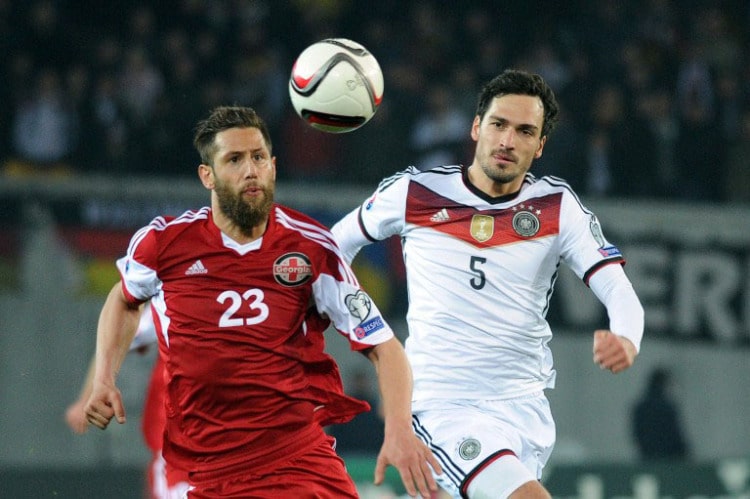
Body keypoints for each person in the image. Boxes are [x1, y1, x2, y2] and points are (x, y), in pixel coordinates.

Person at [83, 105, 440, 498]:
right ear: (208, 175)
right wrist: (104, 379)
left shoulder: (310, 249)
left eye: (257, 158)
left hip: (298, 456)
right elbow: (124, 299)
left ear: (272, 166)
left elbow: (385, 347)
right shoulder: (165, 243)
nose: (250, 170)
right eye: (234, 159)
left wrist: (400, 430)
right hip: (210, 466)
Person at [331, 69, 644, 498]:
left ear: (539, 147)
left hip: (525, 408)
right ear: (477, 127)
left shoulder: (556, 208)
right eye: (498, 124)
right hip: (443, 405)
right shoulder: (415, 194)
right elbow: (332, 249)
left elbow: (616, 286)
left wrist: (627, 336)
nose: (507, 140)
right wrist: (364, 325)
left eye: (524, 131)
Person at [65, 302, 190, 499]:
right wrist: (87, 395)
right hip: (178, 438)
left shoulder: (246, 298)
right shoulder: (174, 302)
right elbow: (117, 339)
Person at [631, 367, 689, 460]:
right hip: (670, 459)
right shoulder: (667, 407)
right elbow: (674, 435)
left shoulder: (640, 408)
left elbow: (638, 434)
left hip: (648, 457)